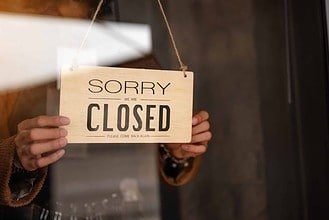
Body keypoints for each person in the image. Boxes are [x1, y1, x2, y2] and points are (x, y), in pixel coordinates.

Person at [0, 0, 212, 218]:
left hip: (125, 210)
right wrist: (14, 156)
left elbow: (158, 157)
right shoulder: (12, 50)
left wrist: (173, 150)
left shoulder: (128, 54)